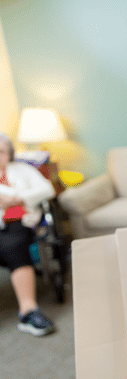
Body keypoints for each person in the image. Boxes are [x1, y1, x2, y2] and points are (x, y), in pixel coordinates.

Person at [0, 133, 56, 336]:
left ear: (9, 154)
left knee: (14, 246)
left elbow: (47, 189)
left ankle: (28, 310)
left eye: (1, 152)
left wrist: (15, 198)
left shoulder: (23, 170)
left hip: (17, 223)